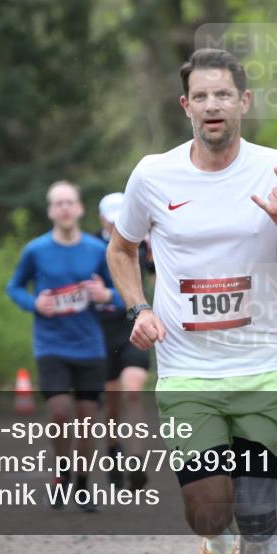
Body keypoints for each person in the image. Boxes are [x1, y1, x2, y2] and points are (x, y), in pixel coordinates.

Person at [107, 48, 277, 554]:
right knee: (209, 511)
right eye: (202, 96)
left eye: (224, 95)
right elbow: (121, 249)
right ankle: (215, 541)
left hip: (259, 367)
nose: (213, 105)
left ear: (244, 102)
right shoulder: (152, 175)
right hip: (187, 374)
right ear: (186, 105)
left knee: (258, 514)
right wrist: (137, 308)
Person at [7, 180, 123, 511]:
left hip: (89, 345)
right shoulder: (36, 250)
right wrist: (33, 304)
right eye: (58, 203)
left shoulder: (96, 250)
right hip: (51, 345)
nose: (65, 208)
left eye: (70, 202)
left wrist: (106, 296)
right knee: (59, 413)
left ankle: (83, 485)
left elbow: (119, 291)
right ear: (50, 211)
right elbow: (14, 287)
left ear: (81, 208)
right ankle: (62, 472)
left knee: (86, 419)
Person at [93, 192, 153, 490]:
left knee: (132, 389)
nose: (117, 225)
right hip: (99, 331)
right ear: (101, 219)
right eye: (111, 219)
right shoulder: (89, 245)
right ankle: (114, 450)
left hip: (134, 326)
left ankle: (136, 460)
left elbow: (162, 273)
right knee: (112, 402)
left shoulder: (141, 243)